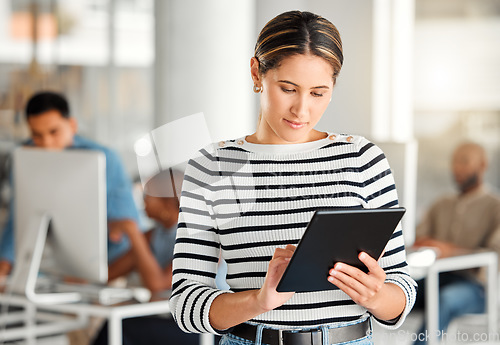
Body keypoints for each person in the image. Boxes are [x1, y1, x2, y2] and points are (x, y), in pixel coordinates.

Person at [170, 10, 417, 345]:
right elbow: (185, 303)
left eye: (318, 93)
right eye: (288, 88)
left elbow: (402, 289)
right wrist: (259, 300)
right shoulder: (214, 165)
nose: (302, 110)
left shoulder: (362, 158)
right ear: (257, 72)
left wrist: (375, 295)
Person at [0, 91, 141, 279]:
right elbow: (20, 216)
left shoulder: (105, 158)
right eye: (37, 135)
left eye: (53, 132)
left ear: (72, 125)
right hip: (56, 261)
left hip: (109, 263)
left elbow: (126, 224)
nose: (46, 143)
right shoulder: (25, 157)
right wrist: (5, 261)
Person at [92, 169, 200, 345]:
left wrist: (133, 232)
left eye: (148, 195)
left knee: (119, 328)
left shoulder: (199, 237)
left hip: (197, 328)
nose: (143, 201)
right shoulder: (154, 235)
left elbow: (158, 285)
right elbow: (107, 274)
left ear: (168, 202)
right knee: (118, 324)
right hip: (163, 317)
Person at [412, 142, 500, 344]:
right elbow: (419, 240)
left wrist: (449, 251)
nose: (457, 168)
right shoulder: (441, 203)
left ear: (482, 165)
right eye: (454, 162)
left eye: (464, 162)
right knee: (397, 290)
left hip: (476, 288)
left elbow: (495, 255)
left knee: (445, 299)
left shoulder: (495, 206)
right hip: (436, 278)